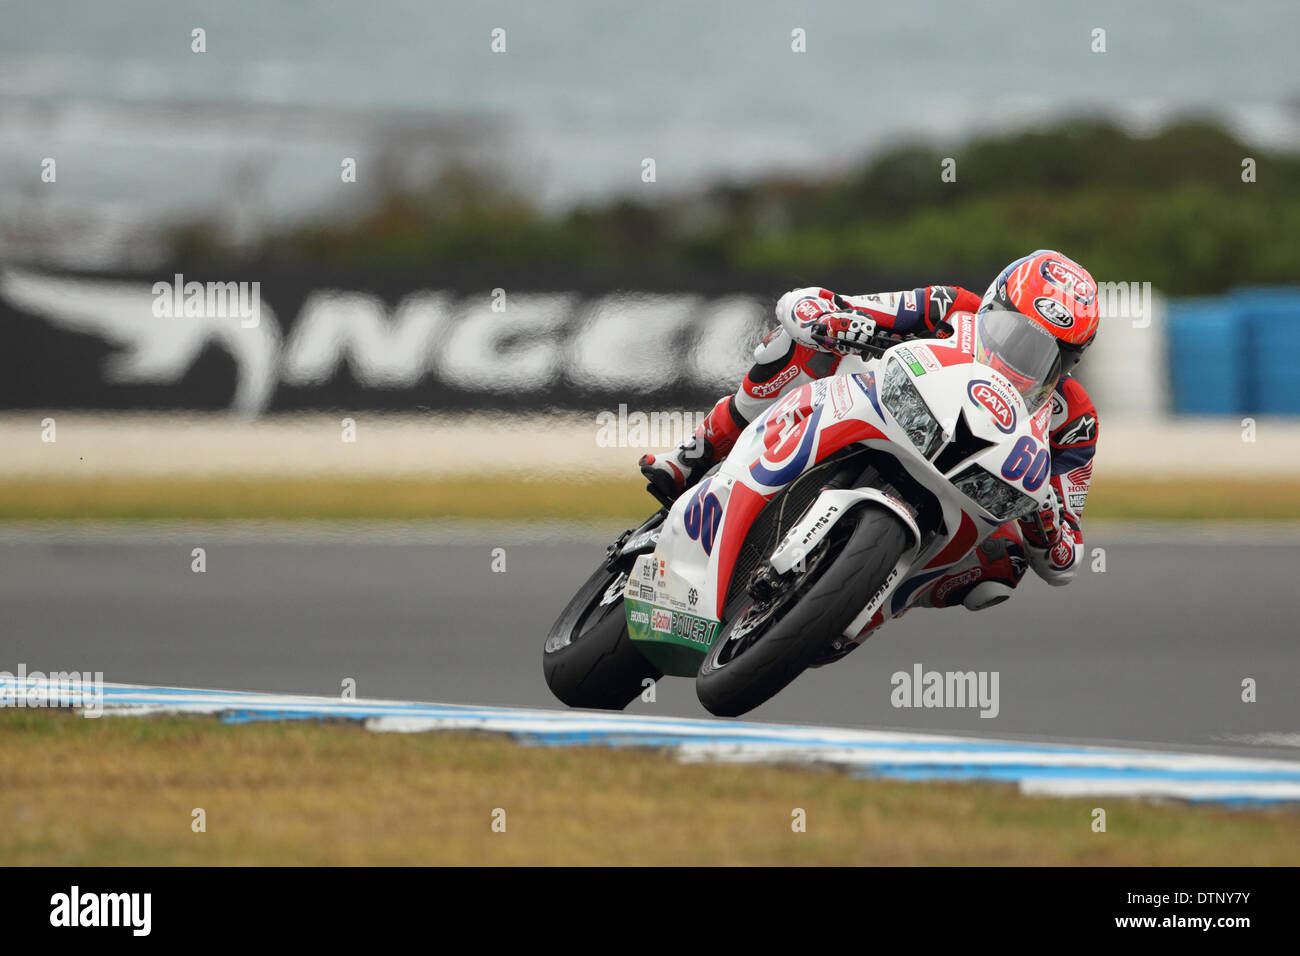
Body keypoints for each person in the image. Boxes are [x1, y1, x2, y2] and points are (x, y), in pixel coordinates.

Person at [639, 249, 1100, 615]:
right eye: (1012, 332)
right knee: (797, 348)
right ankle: (695, 454)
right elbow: (821, 306)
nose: (1024, 360)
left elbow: (1064, 563)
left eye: (1050, 355)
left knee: (1005, 564)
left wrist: (1047, 512)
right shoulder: (950, 306)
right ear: (992, 304)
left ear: (1072, 361)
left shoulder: (1074, 420)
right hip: (883, 409)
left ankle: (874, 597)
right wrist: (829, 321)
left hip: (965, 491)